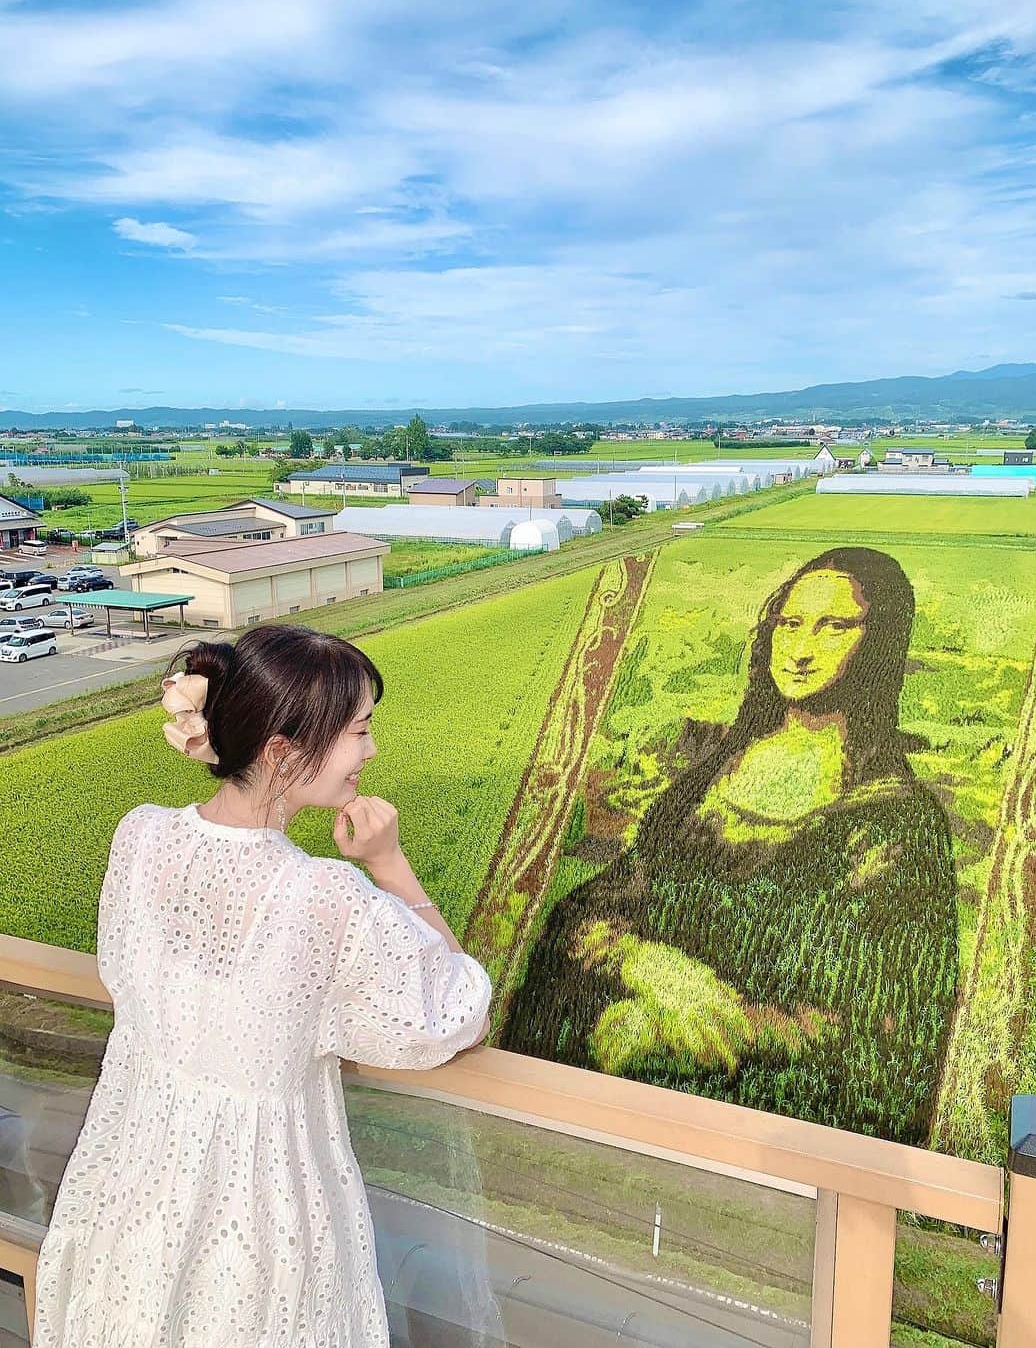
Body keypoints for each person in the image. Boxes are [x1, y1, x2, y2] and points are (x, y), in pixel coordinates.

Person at [33, 625, 492, 1347]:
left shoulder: (141, 835)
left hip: (131, 1176)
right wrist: (392, 866)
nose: (370, 752)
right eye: (360, 730)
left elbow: (124, 976)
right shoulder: (324, 895)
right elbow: (452, 1012)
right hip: (259, 1209)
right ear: (282, 750)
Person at [501, 547, 958, 1145]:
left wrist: (707, 1030)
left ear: (878, 644)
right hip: (615, 1043)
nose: (799, 649)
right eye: (789, 623)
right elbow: (598, 904)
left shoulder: (895, 821)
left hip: (754, 1105)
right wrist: (648, 967)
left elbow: (884, 1030)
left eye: (834, 627)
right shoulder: (714, 770)